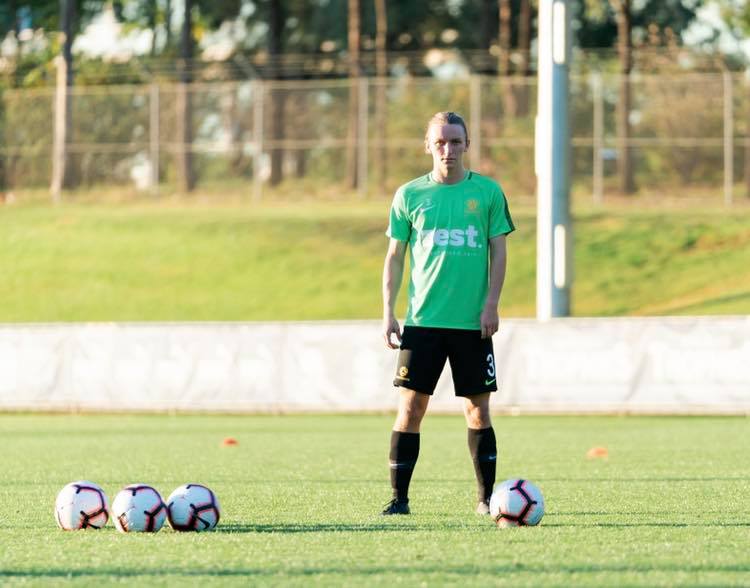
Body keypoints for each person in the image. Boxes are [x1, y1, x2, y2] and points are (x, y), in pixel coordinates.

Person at [381, 111, 515, 516]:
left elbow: (499, 251)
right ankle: (399, 500)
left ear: (467, 145)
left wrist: (491, 304)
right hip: (422, 323)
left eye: (455, 142)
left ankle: (486, 498)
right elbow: (394, 257)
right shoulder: (409, 196)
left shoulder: (488, 194)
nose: (448, 150)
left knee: (477, 409)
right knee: (411, 408)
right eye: (440, 142)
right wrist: (387, 311)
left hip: (472, 325)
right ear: (428, 146)